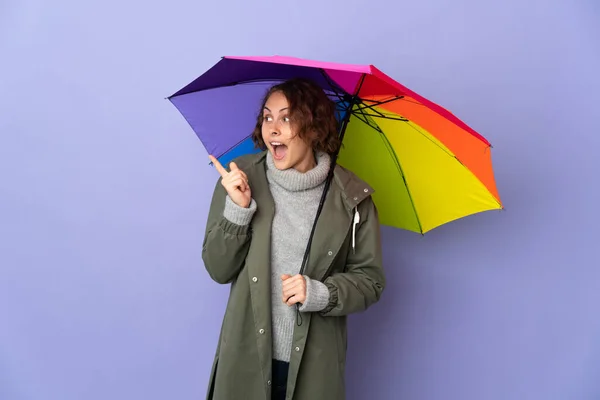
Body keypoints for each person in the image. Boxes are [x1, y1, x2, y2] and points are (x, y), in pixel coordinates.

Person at [202, 78, 386, 400]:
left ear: (314, 128)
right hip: (245, 359)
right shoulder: (240, 179)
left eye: (286, 118)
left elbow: (370, 281)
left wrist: (320, 293)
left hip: (314, 366)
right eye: (268, 116)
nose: (273, 129)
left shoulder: (352, 199)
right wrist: (239, 209)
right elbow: (218, 269)